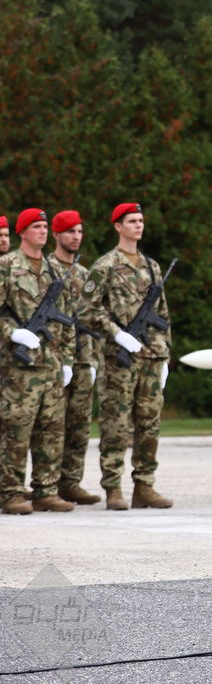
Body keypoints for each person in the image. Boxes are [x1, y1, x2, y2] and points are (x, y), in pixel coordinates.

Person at [78, 203, 173, 510]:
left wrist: (165, 355)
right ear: (118, 226)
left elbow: (162, 314)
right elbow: (86, 310)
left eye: (141, 220)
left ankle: (144, 486)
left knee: (149, 424)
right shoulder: (105, 266)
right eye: (132, 221)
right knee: (115, 425)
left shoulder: (152, 266)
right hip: (118, 358)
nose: (138, 225)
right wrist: (116, 333)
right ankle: (113, 488)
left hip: (151, 356)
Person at [0, 208, 76, 515]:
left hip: (52, 364)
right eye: (36, 226)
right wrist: (11, 332)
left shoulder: (55, 269)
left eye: (45, 226)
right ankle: (11, 492)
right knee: (17, 431)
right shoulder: (7, 265)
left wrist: (68, 360)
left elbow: (67, 318)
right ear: (22, 232)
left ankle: (46, 491)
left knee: (52, 431)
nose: (43, 231)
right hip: (19, 367)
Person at [51, 210, 102, 505]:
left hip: (83, 359)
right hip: (52, 359)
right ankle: (44, 485)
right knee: (49, 425)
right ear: (57, 235)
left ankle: (70, 483)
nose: (76, 237)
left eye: (80, 231)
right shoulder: (46, 270)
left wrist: (94, 360)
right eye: (70, 231)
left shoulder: (84, 274)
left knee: (80, 424)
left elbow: (94, 318)